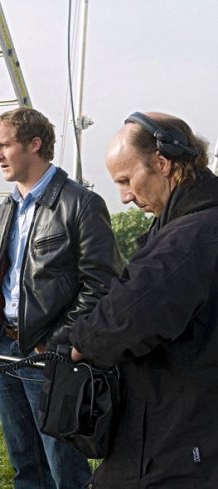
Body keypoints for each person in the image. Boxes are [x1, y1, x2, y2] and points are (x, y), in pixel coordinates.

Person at [0, 107, 123, 489]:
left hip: (50, 357)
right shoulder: (7, 207)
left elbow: (101, 286)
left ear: (34, 144)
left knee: (65, 470)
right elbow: (4, 277)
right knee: (25, 465)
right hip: (5, 349)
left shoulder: (82, 204)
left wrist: (54, 344)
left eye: (4, 145)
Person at [69, 111, 218, 487]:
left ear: (163, 163)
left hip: (177, 442)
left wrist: (77, 341)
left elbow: (115, 328)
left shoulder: (188, 240)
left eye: (126, 180)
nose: (124, 197)